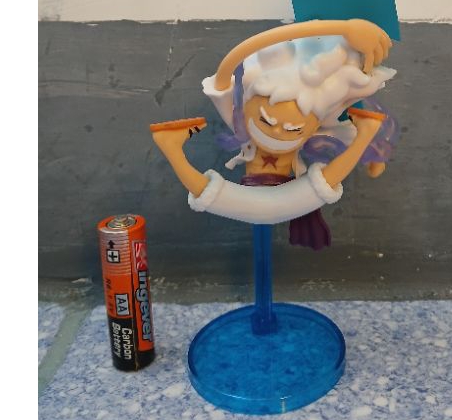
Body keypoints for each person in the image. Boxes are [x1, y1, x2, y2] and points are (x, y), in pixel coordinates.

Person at [151, 18, 397, 249]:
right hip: (270, 198)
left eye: (293, 129)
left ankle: (171, 147)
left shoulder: (315, 136)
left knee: (319, 182)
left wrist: (371, 150)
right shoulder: (240, 123)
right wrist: (343, 28)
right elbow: (227, 68)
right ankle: (171, 147)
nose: (277, 132)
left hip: (289, 197)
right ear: (245, 108)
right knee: (214, 193)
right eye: (266, 121)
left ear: (314, 128)